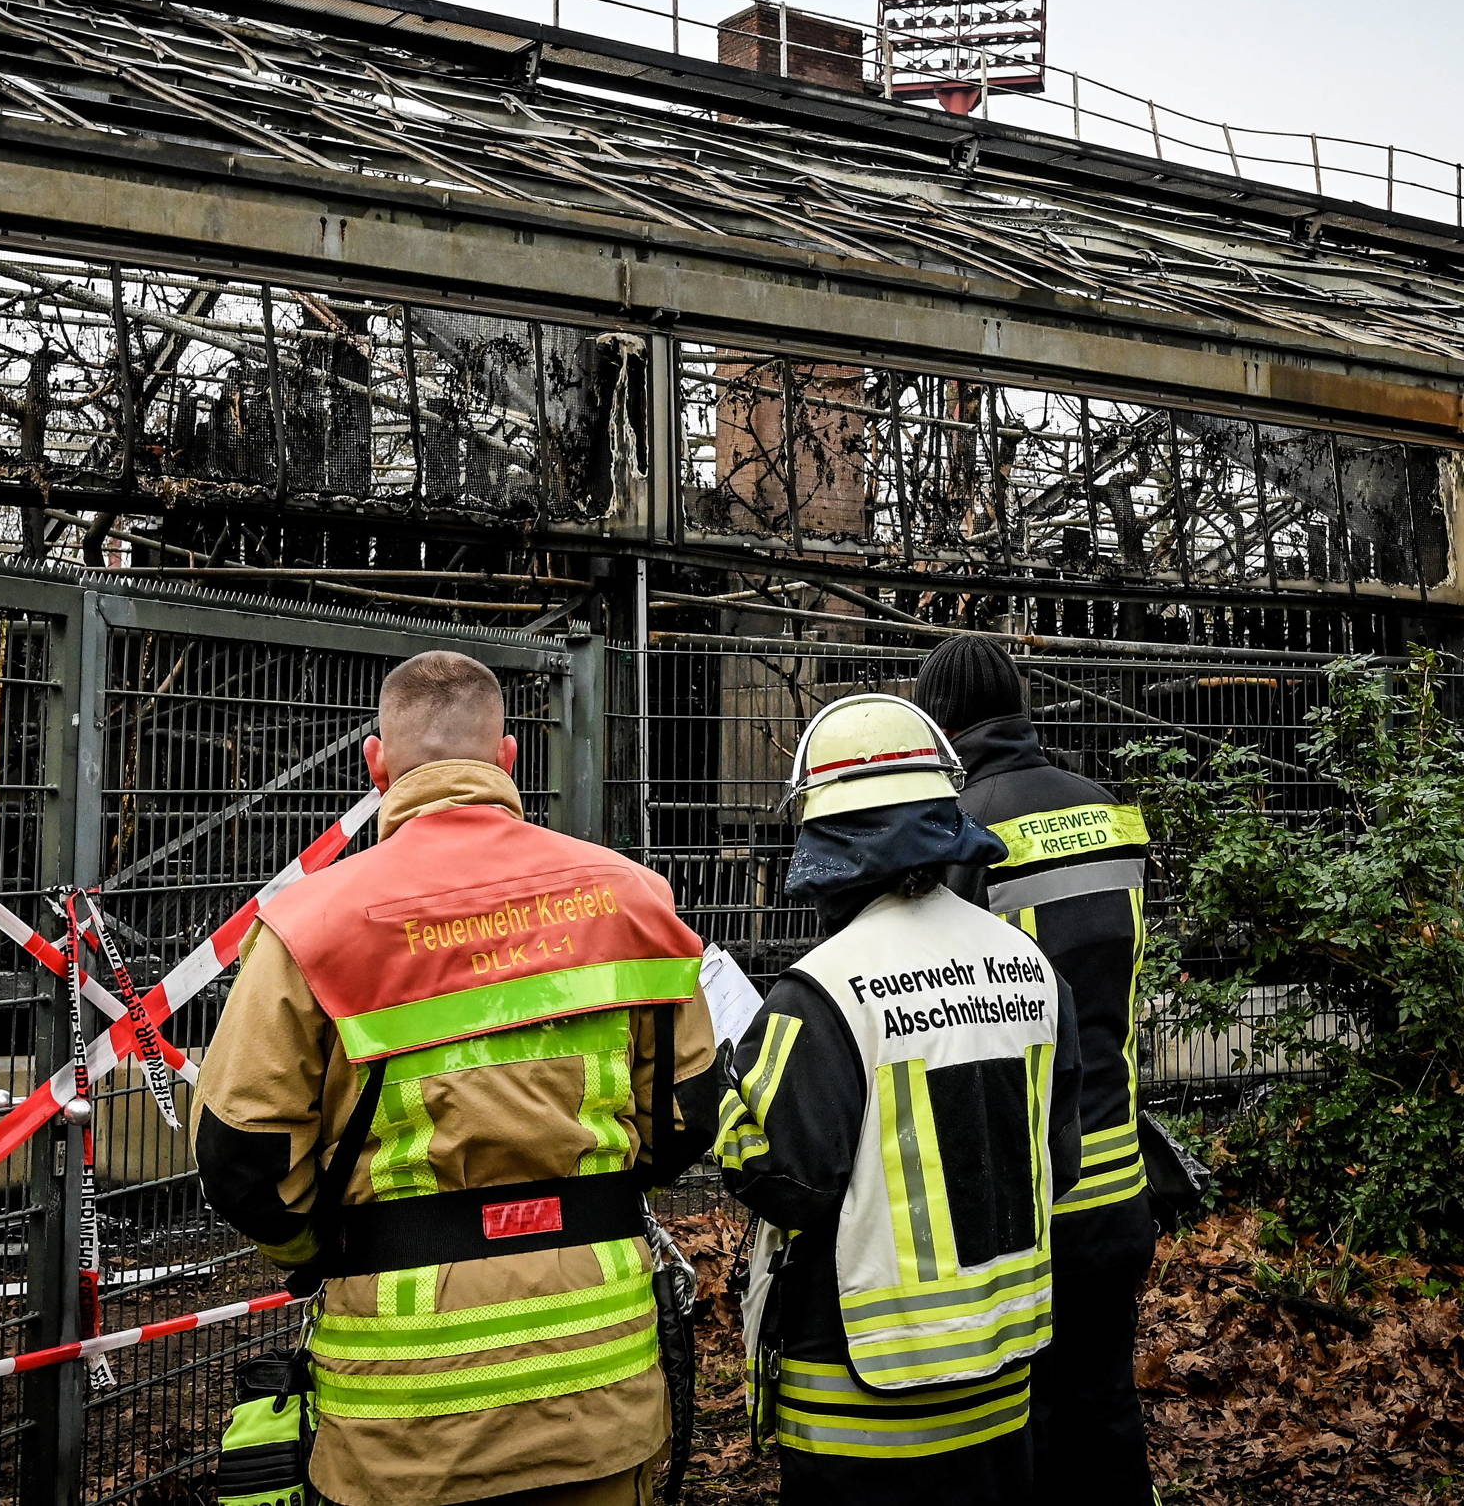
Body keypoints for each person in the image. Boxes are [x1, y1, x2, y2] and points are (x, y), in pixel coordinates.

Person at [193, 649, 726, 1506]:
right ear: (508, 757)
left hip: (403, 1412)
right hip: (599, 1383)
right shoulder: (631, 899)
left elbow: (241, 1156)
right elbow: (690, 1109)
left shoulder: (310, 924)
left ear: (376, 763)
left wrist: (318, 1249)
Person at [717, 692, 1079, 1506]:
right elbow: (1060, 1156)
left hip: (859, 1409)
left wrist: (725, 1088)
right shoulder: (1031, 967)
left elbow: (783, 1179)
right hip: (1000, 1386)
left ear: (823, 842)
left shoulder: (820, 990)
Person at [917, 636, 1155, 1505]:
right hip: (1119, 1179)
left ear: (940, 721)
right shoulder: (1109, 812)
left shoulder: (961, 830)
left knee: (1028, 1426)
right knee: (1108, 1407)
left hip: (1025, 1195)